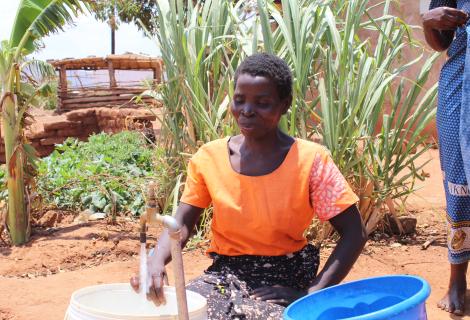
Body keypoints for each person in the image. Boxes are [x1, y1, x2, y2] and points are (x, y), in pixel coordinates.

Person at [131, 53, 367, 319]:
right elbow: (182, 223)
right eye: (239, 100)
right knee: (185, 314)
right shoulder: (209, 158)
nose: (247, 110)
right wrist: (155, 260)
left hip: (284, 277)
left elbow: (354, 233)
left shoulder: (311, 160)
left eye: (262, 103)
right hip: (225, 273)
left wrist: (313, 293)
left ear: (284, 105)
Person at [422, 0, 470, 316]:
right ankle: (457, 281)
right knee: (458, 183)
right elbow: (442, 42)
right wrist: (429, 20)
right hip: (460, 86)